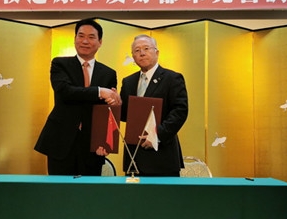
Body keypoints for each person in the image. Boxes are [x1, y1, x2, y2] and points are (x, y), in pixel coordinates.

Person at [35, 19, 121, 176]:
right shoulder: (60, 64)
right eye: (81, 36)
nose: (85, 41)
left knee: (89, 190)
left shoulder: (109, 73)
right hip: (60, 141)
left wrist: (106, 141)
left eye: (91, 37)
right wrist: (99, 92)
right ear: (75, 39)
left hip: (93, 146)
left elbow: (107, 112)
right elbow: (65, 92)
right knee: (58, 188)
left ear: (100, 42)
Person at [119, 35, 188, 176]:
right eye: (137, 50)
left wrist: (157, 135)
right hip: (134, 156)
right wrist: (115, 102)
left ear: (157, 52)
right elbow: (126, 115)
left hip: (162, 155)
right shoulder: (128, 81)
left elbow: (180, 111)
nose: (142, 53)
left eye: (146, 48)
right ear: (133, 56)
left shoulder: (172, 78)